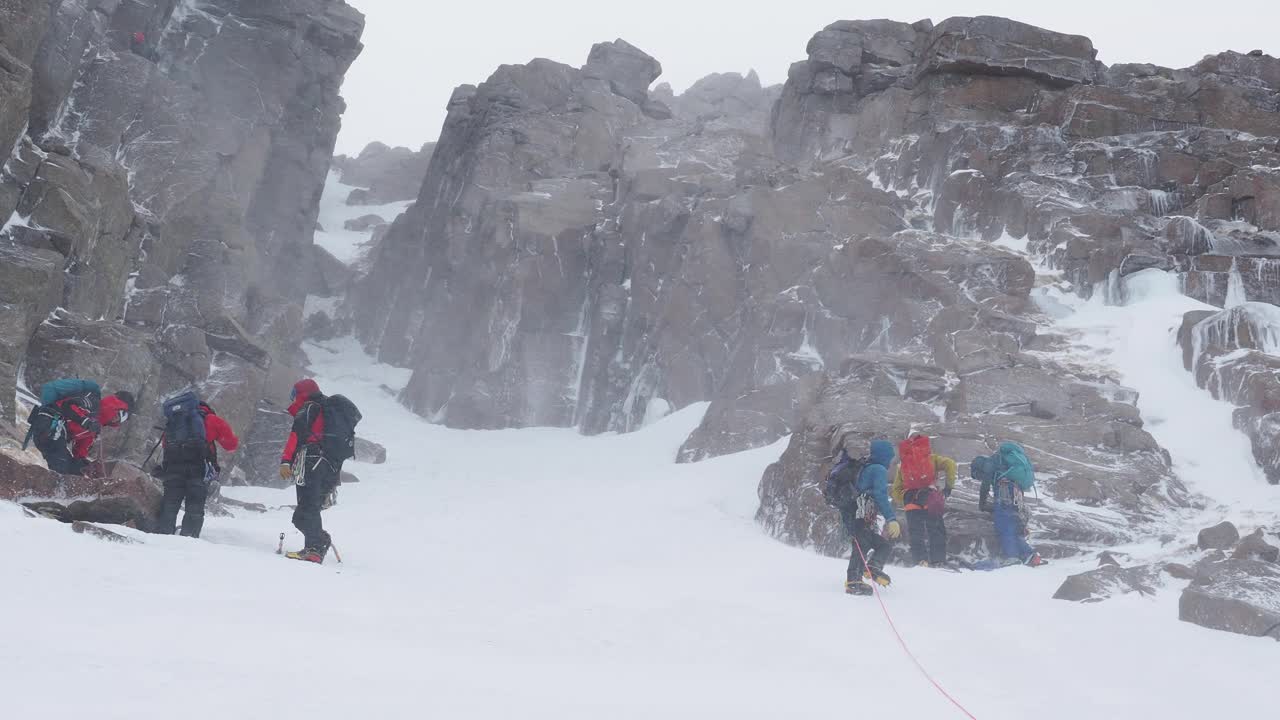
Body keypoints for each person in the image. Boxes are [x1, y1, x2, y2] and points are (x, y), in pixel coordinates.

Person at [154, 395, 239, 538]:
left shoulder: (173, 422)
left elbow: (165, 445)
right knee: (194, 508)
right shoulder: (211, 420)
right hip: (198, 470)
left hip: (173, 469)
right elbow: (231, 445)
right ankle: (188, 538)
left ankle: (162, 537)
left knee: (169, 505)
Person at [280, 379, 338, 563]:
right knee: (303, 512)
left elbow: (296, 435)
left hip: (311, 460)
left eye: (294, 393)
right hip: (327, 464)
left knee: (308, 507)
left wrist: (286, 461)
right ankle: (319, 541)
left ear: (302, 393)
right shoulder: (327, 409)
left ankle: (314, 549)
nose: (293, 398)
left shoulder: (309, 407)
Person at [840, 439, 901, 595]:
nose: (890, 461)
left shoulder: (867, 467)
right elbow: (880, 495)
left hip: (858, 513)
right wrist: (891, 519)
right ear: (884, 456)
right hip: (861, 512)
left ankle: (872, 568)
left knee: (881, 545)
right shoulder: (878, 469)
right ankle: (854, 581)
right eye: (890, 457)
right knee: (862, 544)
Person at [971, 444, 1045, 567]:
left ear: (978, 468)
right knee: (1013, 526)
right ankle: (1030, 555)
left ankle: (1012, 557)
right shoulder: (1005, 465)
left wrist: (982, 502)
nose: (979, 478)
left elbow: (985, 485)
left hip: (1004, 491)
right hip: (1016, 492)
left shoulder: (990, 462)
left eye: (977, 475)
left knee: (1004, 525)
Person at [30, 389, 134, 476]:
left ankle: (60, 495)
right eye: (121, 413)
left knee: (73, 471)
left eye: (123, 418)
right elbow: (68, 406)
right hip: (50, 421)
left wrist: (83, 464)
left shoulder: (95, 428)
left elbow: (81, 448)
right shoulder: (93, 403)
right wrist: (85, 421)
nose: (118, 419)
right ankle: (53, 494)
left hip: (54, 433)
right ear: (115, 405)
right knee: (61, 465)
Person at [891, 434, 957, 567]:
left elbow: (895, 490)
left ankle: (921, 561)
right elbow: (950, 464)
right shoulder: (932, 458)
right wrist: (948, 487)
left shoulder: (903, 464)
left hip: (910, 499)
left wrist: (903, 498)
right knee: (936, 529)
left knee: (916, 532)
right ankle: (938, 561)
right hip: (929, 496)